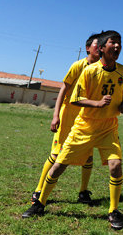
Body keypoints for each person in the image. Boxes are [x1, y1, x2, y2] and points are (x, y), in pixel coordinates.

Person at [22, 30, 123, 230]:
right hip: (84, 126)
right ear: (102, 48)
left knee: (115, 166)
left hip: (108, 127)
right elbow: (75, 98)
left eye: (120, 44)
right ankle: (39, 203)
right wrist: (97, 104)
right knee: (59, 164)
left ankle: (113, 210)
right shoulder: (88, 70)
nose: (117, 47)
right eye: (113, 43)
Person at [29, 33, 100, 204]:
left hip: (86, 118)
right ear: (88, 48)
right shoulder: (78, 65)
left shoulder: (101, 69)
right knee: (56, 154)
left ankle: (83, 192)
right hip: (68, 114)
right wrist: (56, 115)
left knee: (88, 156)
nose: (100, 48)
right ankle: (38, 190)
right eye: (97, 45)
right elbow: (63, 89)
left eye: (102, 45)